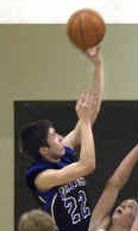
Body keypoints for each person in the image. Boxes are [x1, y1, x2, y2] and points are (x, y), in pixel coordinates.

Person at [21, 48, 104, 231]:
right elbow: (87, 165)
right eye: (53, 135)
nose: (60, 137)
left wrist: (98, 66)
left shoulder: (62, 152)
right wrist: (83, 121)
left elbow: (92, 113)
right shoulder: (41, 177)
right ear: (43, 150)